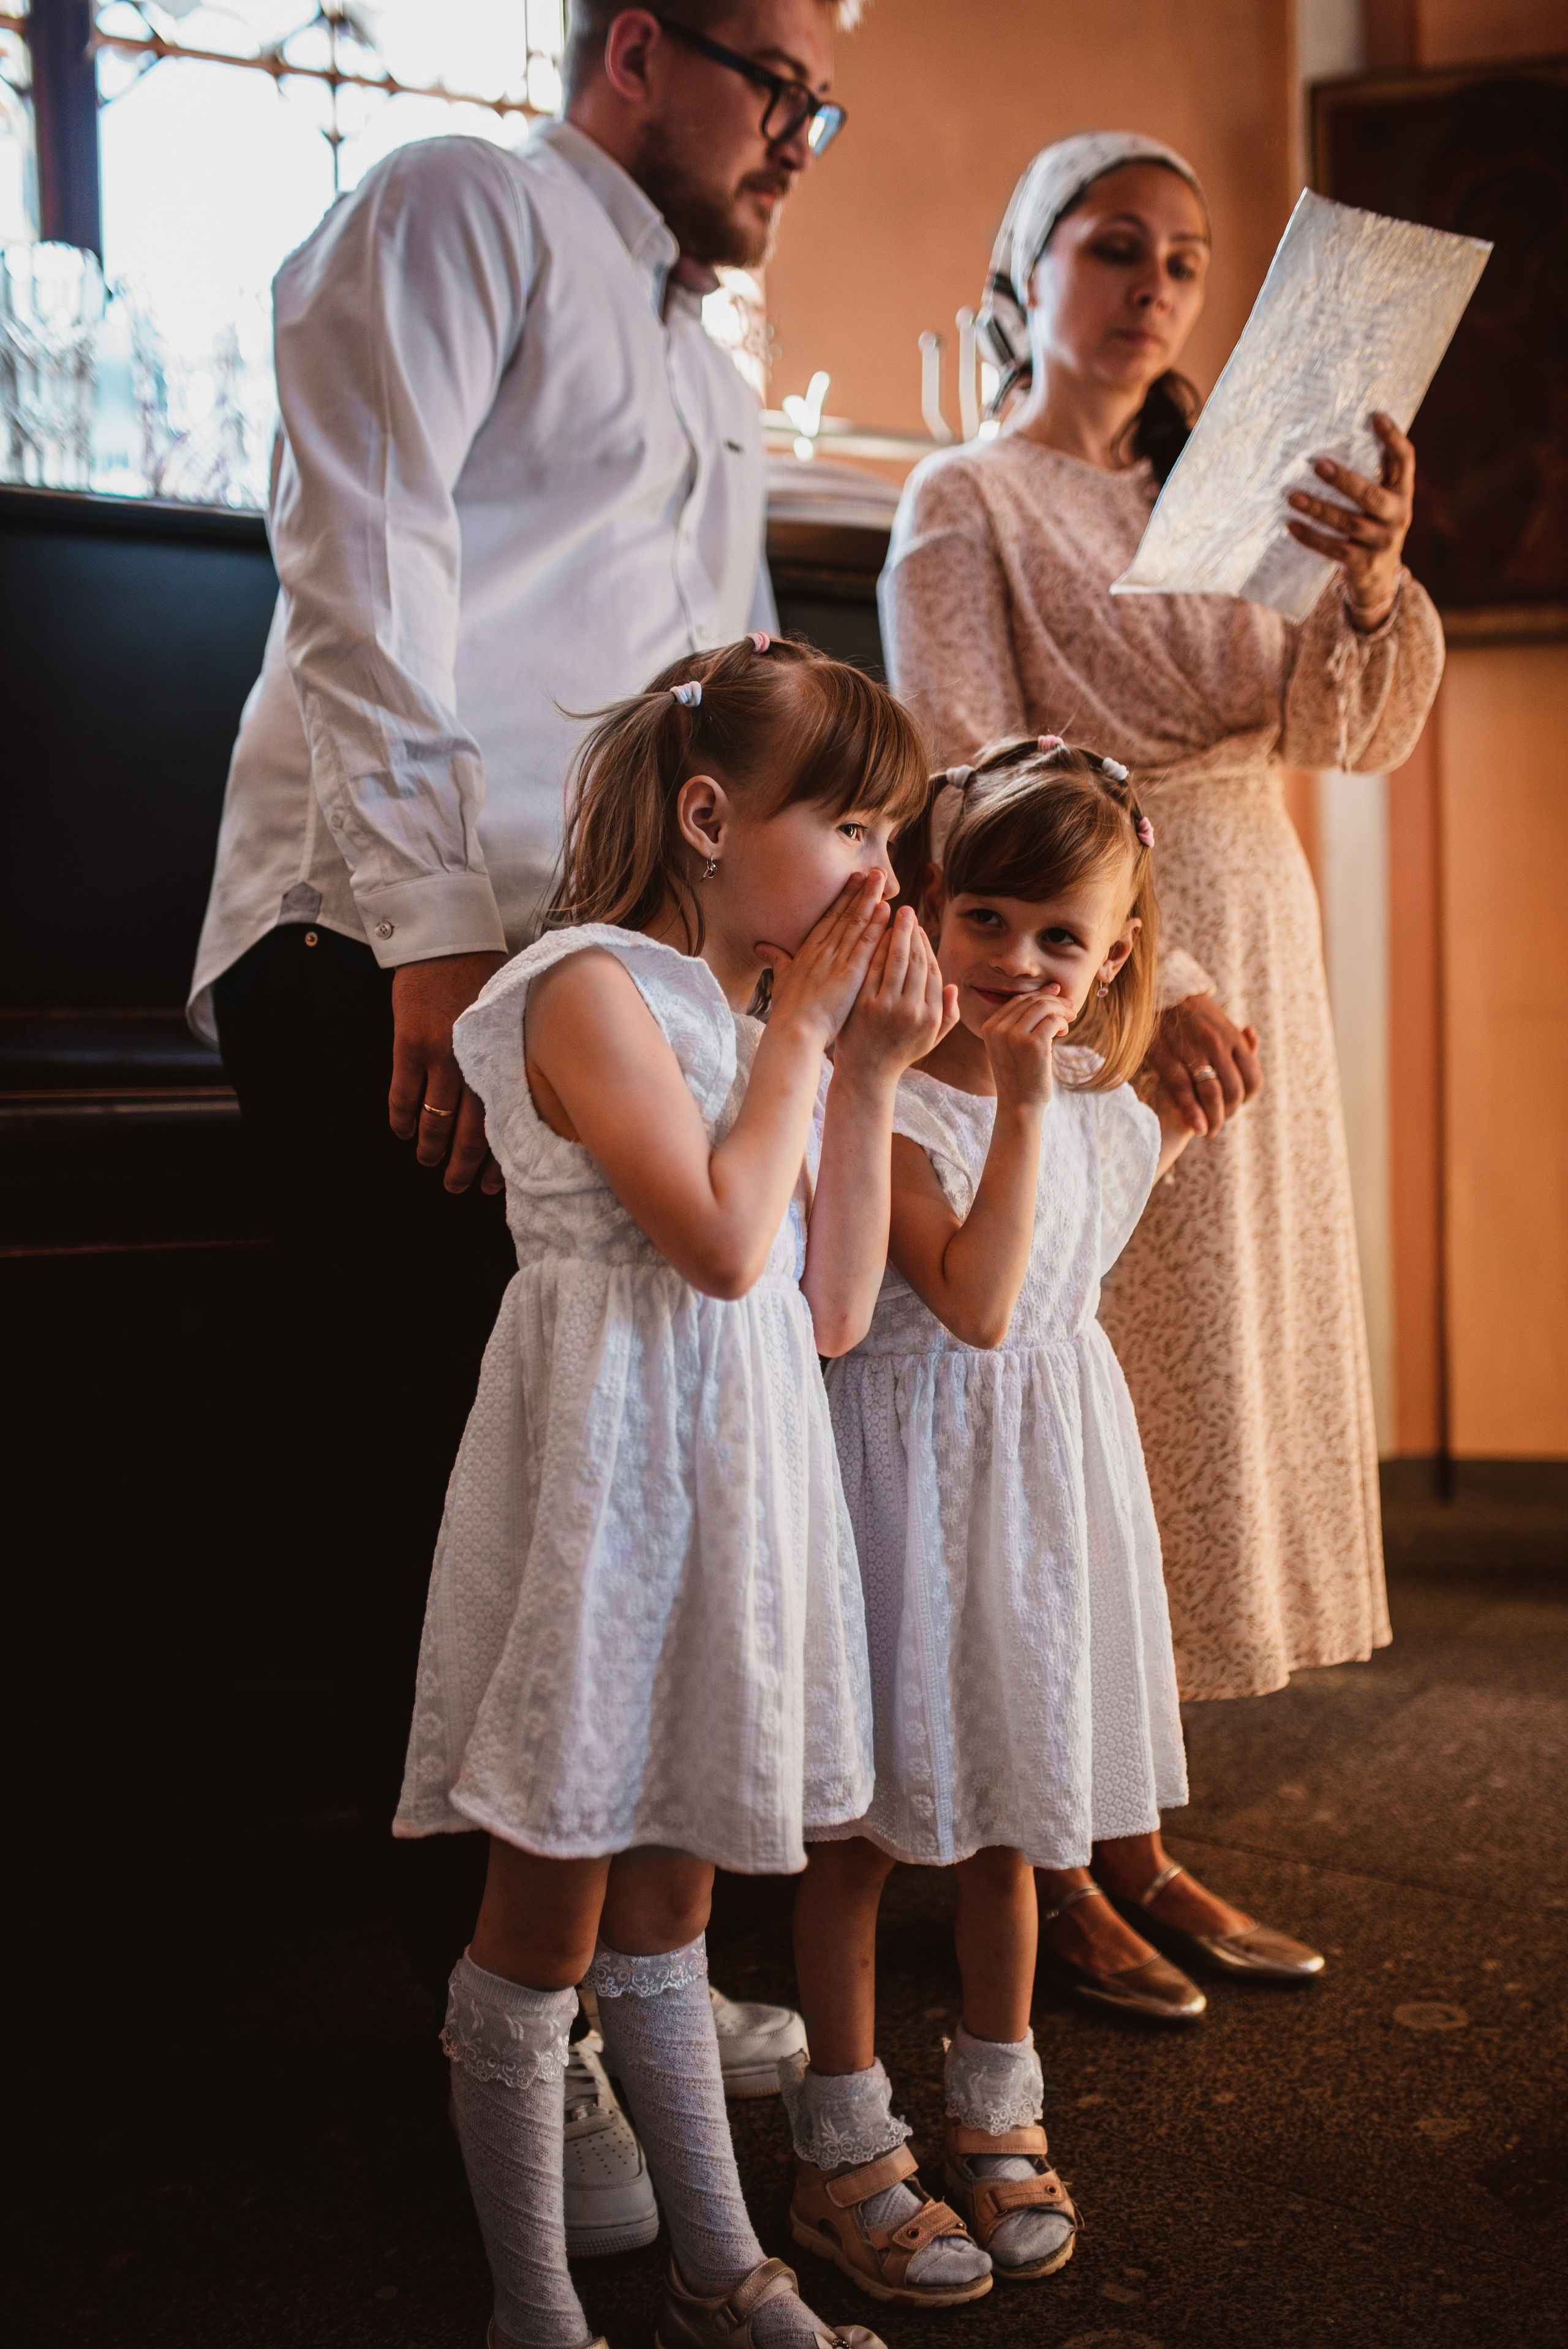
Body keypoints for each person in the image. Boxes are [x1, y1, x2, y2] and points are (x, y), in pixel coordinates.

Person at [188, 0, 861, 2177]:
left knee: (624, 1498)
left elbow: (738, 719)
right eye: (783, 85)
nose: (802, 140)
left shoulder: (704, 356)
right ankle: (498, 2022)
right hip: (390, 946)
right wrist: (429, 939)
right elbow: (361, 571)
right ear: (640, 48)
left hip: (604, 977)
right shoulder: (459, 207)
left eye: (821, 103)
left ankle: (614, 1968)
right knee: (449, 1500)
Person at [878, 132, 1446, 2020]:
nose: (1156, 284)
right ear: (1026, 267)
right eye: (1116, 246)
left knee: (1197, 1406)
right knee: (1067, 1390)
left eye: (1189, 260)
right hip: (1091, 974)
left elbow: (1344, 729)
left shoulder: (1241, 488)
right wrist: (1152, 970)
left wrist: (1367, 584)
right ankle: (1030, 1858)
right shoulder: (970, 495)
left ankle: (1124, 1830)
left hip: (1253, 920)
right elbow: (965, 766)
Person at [394, 634, 945, 2349]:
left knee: (675, 1911)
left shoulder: (753, 1020)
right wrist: (802, 1033)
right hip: (608, 1503)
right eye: (853, 828)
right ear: (710, 815)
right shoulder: (587, 987)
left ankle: (723, 2272)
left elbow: (832, 1304)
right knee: (545, 1913)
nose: (881, 873)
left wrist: (859, 1074)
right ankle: (536, 2305)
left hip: (735, 1493)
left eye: (891, 838)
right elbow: (715, 1244)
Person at [784, 739, 1222, 2307]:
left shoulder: (1106, 1115)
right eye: (986, 920)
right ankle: (841, 2133)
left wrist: (1125, 1087)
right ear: (929, 907)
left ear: (1111, 957)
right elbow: (971, 1302)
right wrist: (1033, 1093)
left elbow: (1097, 1224)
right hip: (896, 1494)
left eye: (1059, 939)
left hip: (1036, 1508)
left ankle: (996, 2105)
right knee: (856, 1833)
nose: (1016, 964)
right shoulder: (888, 1103)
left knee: (1007, 1830)